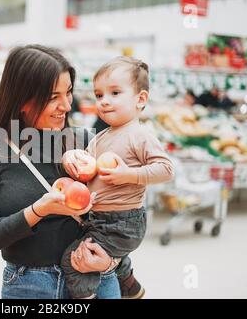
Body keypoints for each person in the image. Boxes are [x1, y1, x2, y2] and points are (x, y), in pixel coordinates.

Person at [0, 45, 121, 299]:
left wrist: (114, 262)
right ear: (22, 99)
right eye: (53, 97)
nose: (66, 105)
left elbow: (121, 212)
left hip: (96, 281)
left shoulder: (85, 145)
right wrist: (39, 210)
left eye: (68, 92)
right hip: (30, 287)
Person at [61, 56, 175, 299]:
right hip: (98, 218)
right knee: (107, 255)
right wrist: (72, 159)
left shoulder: (139, 135)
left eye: (114, 93)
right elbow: (86, 170)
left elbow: (165, 169)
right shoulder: (100, 138)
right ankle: (130, 285)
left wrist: (129, 175)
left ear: (140, 99)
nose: (104, 102)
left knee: (73, 260)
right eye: (99, 95)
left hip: (124, 221)